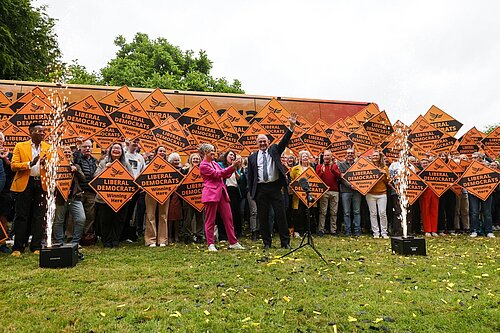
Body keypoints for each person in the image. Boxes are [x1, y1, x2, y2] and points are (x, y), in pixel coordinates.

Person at [247, 113, 297, 249]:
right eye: (260, 141)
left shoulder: (274, 150)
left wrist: (291, 126)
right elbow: (250, 177)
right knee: (263, 218)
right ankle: (267, 243)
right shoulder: (252, 157)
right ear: (256, 143)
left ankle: (285, 243)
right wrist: (252, 193)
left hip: (275, 188)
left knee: (281, 216)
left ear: (268, 142)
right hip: (261, 190)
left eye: (264, 141)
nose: (262, 143)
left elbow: (284, 141)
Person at [10, 122, 50, 256]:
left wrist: (47, 164)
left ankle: (36, 246)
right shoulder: (20, 146)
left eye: (43, 131)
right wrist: (30, 164)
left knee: (39, 216)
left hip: (41, 184)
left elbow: (54, 166)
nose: (42, 133)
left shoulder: (48, 147)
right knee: (22, 215)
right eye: (39, 131)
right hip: (25, 184)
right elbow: (13, 165)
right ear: (30, 132)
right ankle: (18, 247)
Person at [198, 143, 244, 251]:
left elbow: (226, 175)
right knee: (210, 220)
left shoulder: (214, 163)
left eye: (213, 150)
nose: (213, 153)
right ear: (205, 153)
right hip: (211, 194)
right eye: (211, 151)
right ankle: (210, 243)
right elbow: (218, 174)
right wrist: (232, 166)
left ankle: (233, 242)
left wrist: (234, 167)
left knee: (228, 217)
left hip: (222, 192)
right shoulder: (203, 165)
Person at [94, 142, 133, 248]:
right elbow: (96, 177)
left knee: (119, 220)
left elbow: (132, 180)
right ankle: (106, 240)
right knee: (105, 220)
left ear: (122, 152)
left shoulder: (126, 164)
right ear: (110, 151)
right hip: (104, 199)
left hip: (121, 199)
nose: (116, 150)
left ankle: (115, 240)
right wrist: (105, 169)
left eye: (118, 149)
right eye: (114, 148)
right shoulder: (103, 162)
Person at [52, 146, 86, 246]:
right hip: (60, 198)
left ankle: (75, 242)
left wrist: (77, 170)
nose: (67, 154)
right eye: (64, 152)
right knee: (59, 221)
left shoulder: (76, 165)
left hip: (75, 197)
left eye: (68, 152)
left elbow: (83, 178)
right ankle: (60, 242)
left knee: (81, 219)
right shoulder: (55, 166)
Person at [73, 139, 98, 245]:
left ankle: (87, 236)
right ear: (81, 148)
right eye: (85, 146)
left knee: (90, 215)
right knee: (76, 216)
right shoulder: (77, 158)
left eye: (89, 146)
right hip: (78, 191)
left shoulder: (94, 160)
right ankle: (73, 237)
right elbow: (73, 157)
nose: (87, 148)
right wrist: (77, 147)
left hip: (91, 192)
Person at [144, 146, 169, 247]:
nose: (162, 152)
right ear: (156, 152)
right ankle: (151, 240)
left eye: (164, 151)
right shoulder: (149, 165)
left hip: (165, 193)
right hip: (150, 192)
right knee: (150, 215)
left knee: (163, 216)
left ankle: (162, 240)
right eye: (160, 151)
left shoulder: (168, 166)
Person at [469, 153, 495, 238]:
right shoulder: (469, 168)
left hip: (486, 192)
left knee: (487, 212)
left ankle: (489, 231)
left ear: (480, 158)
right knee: (474, 212)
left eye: (475, 157)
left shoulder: (487, 166)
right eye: (472, 158)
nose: (473, 159)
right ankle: (474, 230)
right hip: (473, 193)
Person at [316, 149, 341, 236]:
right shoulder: (319, 166)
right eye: (325, 155)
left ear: (331, 157)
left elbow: (339, 176)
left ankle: (333, 230)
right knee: (323, 212)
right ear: (323, 157)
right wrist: (321, 172)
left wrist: (332, 169)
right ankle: (321, 229)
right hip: (324, 191)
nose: (326, 157)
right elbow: (316, 179)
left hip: (334, 191)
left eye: (328, 155)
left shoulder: (335, 166)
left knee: (334, 212)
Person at [289, 150, 314, 238]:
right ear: (300, 158)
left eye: (306, 156)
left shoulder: (311, 169)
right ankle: (297, 231)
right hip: (298, 195)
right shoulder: (295, 168)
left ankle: (306, 231)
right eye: (303, 156)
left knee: (307, 213)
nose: (305, 158)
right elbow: (292, 179)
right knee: (298, 213)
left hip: (307, 195)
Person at [337, 148, 362, 236]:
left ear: (354, 154)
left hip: (357, 191)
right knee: (346, 212)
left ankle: (357, 231)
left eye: (351, 153)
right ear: (345, 155)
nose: (350, 154)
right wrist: (351, 185)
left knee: (357, 211)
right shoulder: (341, 164)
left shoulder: (358, 164)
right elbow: (342, 178)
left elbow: (361, 176)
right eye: (348, 153)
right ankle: (347, 231)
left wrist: (357, 186)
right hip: (345, 191)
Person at [366, 151, 390, 238]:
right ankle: (376, 232)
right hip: (370, 193)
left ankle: (384, 232)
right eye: (374, 155)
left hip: (382, 193)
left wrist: (384, 173)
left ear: (379, 157)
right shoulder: (368, 167)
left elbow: (388, 181)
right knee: (373, 213)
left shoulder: (385, 167)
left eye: (377, 155)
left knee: (382, 213)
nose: (375, 157)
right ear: (371, 157)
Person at [181, 152, 204, 243]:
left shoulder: (203, 170)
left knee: (200, 218)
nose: (195, 160)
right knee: (188, 217)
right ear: (190, 159)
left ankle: (199, 235)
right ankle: (187, 235)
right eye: (194, 158)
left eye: (197, 159)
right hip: (188, 198)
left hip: (200, 198)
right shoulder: (184, 170)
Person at [219, 150, 243, 237]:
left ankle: (236, 232)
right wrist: (230, 167)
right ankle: (224, 234)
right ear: (226, 156)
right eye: (230, 155)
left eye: (233, 156)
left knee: (236, 212)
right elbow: (222, 175)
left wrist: (235, 169)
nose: (232, 157)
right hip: (225, 190)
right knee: (225, 213)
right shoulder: (221, 165)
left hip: (235, 191)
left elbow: (240, 180)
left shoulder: (237, 167)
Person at [418, 158, 439, 237]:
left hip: (434, 193)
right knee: (425, 212)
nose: (425, 164)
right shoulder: (419, 174)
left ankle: (434, 230)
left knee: (434, 211)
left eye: (426, 163)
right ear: (421, 165)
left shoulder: (434, 173)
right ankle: (427, 230)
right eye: (423, 163)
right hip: (424, 194)